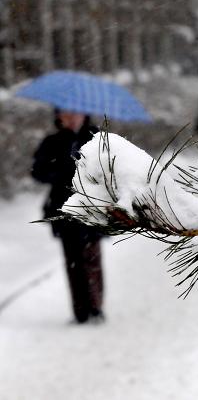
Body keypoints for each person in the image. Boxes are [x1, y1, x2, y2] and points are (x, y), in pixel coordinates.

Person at [32, 110, 104, 324]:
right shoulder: (52, 142)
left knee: (92, 259)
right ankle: (80, 311)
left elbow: (108, 170)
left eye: (76, 114)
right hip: (63, 210)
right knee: (73, 261)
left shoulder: (95, 139)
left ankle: (96, 307)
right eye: (66, 114)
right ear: (58, 116)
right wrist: (60, 168)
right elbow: (38, 171)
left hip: (92, 208)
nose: (72, 118)